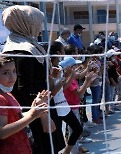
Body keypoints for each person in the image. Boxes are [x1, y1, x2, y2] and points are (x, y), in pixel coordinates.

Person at [2, 5, 64, 154]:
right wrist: (43, 116)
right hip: (35, 113)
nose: (40, 26)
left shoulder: (28, 45)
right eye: (38, 22)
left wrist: (47, 75)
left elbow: (32, 79)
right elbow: (24, 89)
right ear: (26, 23)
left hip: (39, 108)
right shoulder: (21, 50)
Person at [0, 56, 49, 154]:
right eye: (6, 73)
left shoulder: (8, 94)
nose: (12, 76)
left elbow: (17, 117)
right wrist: (32, 115)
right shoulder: (1, 99)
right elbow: (2, 132)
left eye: (14, 71)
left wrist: (34, 109)